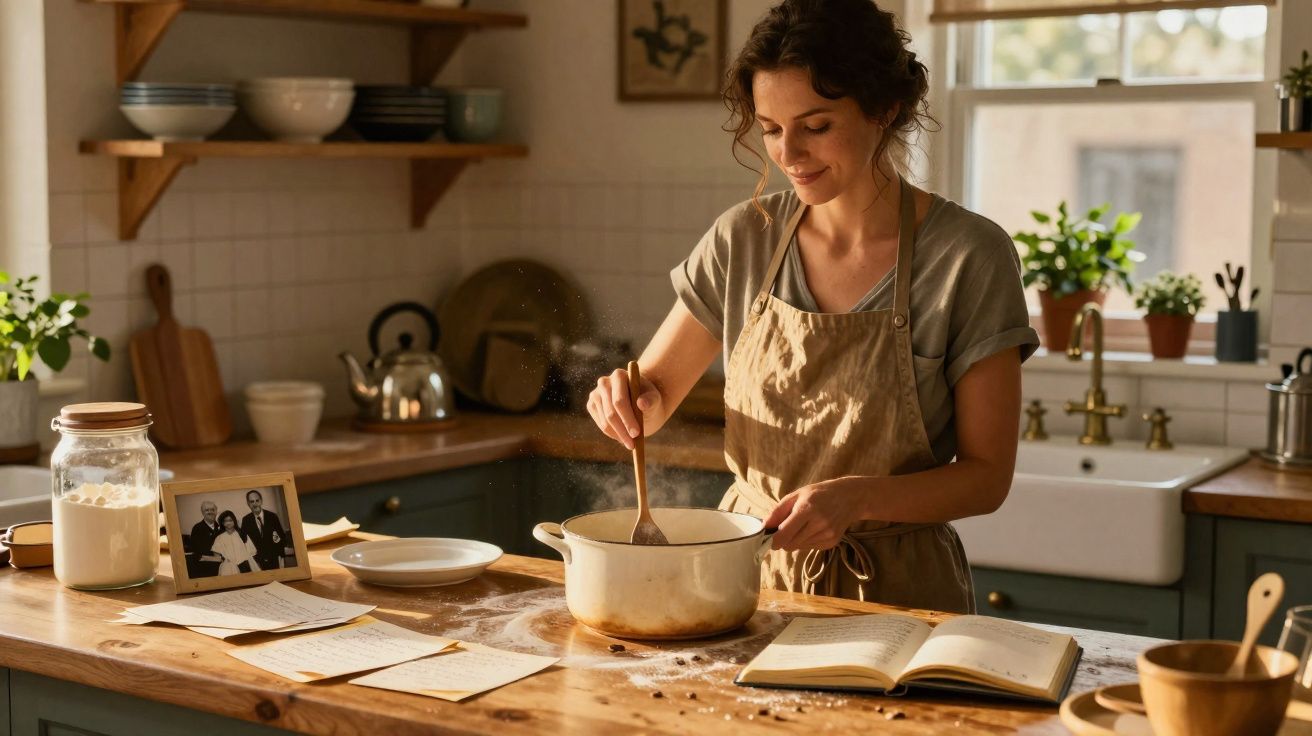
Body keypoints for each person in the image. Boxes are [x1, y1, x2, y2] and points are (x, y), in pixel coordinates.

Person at [587, 0, 1039, 613]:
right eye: (771, 128)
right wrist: (627, 400)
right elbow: (656, 395)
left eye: (816, 125)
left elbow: (987, 477)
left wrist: (858, 499)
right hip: (747, 582)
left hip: (899, 598)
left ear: (884, 108)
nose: (789, 153)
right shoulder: (741, 239)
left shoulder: (969, 256)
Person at [240, 489, 288, 572]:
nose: (255, 504)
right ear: (248, 504)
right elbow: (243, 540)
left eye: (257, 500)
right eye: (251, 502)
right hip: (258, 562)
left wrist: (281, 557)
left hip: (275, 558)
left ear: (261, 501)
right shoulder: (246, 520)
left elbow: (281, 537)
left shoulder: (272, 516)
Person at [212, 510, 261, 576]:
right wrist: (225, 561)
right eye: (226, 521)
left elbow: (252, 552)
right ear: (222, 523)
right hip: (229, 569)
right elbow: (216, 556)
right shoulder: (219, 538)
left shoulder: (242, 534)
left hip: (245, 566)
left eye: (230, 520)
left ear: (234, 521)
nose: (228, 523)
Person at [187, 500, 223, 578]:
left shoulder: (221, 527)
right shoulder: (197, 528)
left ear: (216, 511)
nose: (210, 512)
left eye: (212, 510)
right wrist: (218, 559)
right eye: (207, 510)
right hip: (204, 568)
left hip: (222, 567)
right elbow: (197, 553)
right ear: (202, 512)